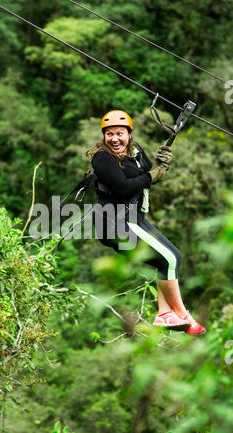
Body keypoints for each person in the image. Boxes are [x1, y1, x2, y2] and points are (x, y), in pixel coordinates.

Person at [86, 109, 205, 335]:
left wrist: (162, 165)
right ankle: (183, 315)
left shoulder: (136, 151)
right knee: (170, 258)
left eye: (120, 133)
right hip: (115, 221)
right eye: (109, 134)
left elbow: (149, 176)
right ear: (104, 136)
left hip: (134, 218)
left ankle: (164, 312)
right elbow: (123, 188)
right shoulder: (102, 158)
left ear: (129, 134)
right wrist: (153, 174)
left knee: (169, 259)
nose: (114, 139)